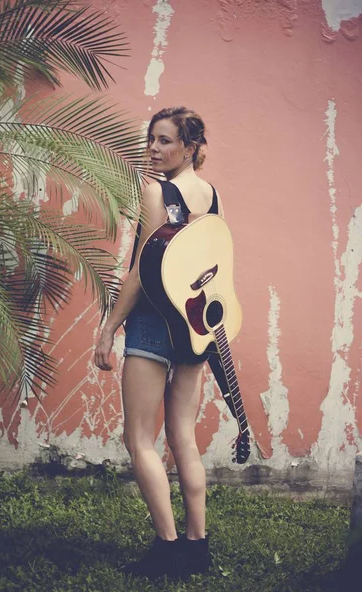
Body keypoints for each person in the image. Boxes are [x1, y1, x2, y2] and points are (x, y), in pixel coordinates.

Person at [94, 107, 223, 579]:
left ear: (189, 148)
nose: (153, 148)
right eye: (151, 139)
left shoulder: (155, 191)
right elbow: (216, 263)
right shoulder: (210, 196)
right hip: (194, 325)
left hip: (152, 320)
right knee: (183, 436)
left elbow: (142, 269)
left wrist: (109, 327)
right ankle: (198, 547)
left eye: (165, 141)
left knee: (139, 439)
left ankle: (168, 551)